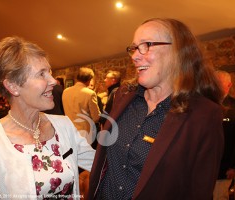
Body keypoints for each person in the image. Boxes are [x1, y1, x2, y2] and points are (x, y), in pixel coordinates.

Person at [88, 18, 224, 200]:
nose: (135, 55)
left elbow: (199, 190)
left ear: (177, 52)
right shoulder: (124, 96)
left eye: (146, 45)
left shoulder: (204, 115)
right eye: (134, 48)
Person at [0, 36, 95, 199]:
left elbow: (100, 163)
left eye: (49, 71)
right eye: (41, 74)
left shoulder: (64, 126)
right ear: (13, 86)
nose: (53, 81)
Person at [213, 70, 235, 200]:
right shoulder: (203, 106)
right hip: (205, 167)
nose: (215, 86)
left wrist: (232, 166)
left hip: (224, 168)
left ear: (229, 85)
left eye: (219, 83)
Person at [62, 67, 101, 146]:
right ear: (89, 79)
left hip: (68, 131)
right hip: (84, 133)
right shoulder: (90, 93)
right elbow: (96, 117)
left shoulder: (66, 91)